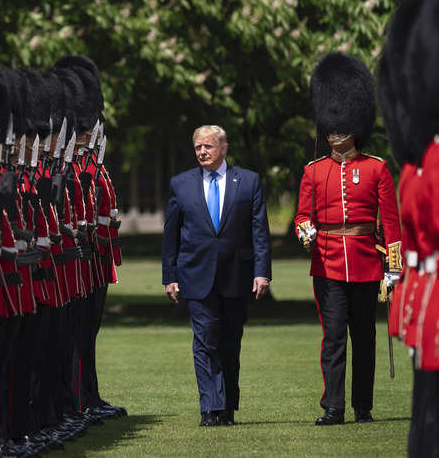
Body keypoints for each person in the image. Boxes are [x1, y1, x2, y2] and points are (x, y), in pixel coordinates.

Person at [294, 52, 402, 426]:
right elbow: (303, 215)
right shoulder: (314, 171)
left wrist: (394, 268)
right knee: (334, 337)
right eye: (331, 126)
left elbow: (391, 222)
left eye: (341, 126)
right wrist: (304, 229)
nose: (334, 132)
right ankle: (334, 406)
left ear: (354, 125)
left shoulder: (376, 169)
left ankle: (363, 406)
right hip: (326, 262)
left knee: (365, 338)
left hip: (367, 263)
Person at [162, 125, 272, 427]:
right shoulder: (180, 184)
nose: (202, 152)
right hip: (195, 275)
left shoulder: (248, 181)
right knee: (205, 341)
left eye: (208, 146)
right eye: (198, 147)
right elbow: (170, 234)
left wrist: (262, 273)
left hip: (237, 275)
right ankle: (210, 407)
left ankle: (227, 408)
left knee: (229, 343)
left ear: (223, 148)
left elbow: (259, 231)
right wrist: (169, 276)